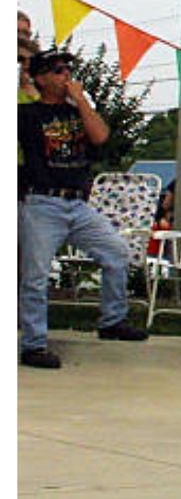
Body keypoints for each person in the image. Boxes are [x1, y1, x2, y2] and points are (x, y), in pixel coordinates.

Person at [18, 48, 152, 368]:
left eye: (67, 69)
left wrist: (81, 101)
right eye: (57, 70)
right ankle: (34, 343)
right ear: (40, 78)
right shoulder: (28, 115)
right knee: (36, 275)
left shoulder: (77, 110)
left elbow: (101, 136)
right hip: (42, 201)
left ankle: (112, 320)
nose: (65, 75)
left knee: (116, 252)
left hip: (77, 203)